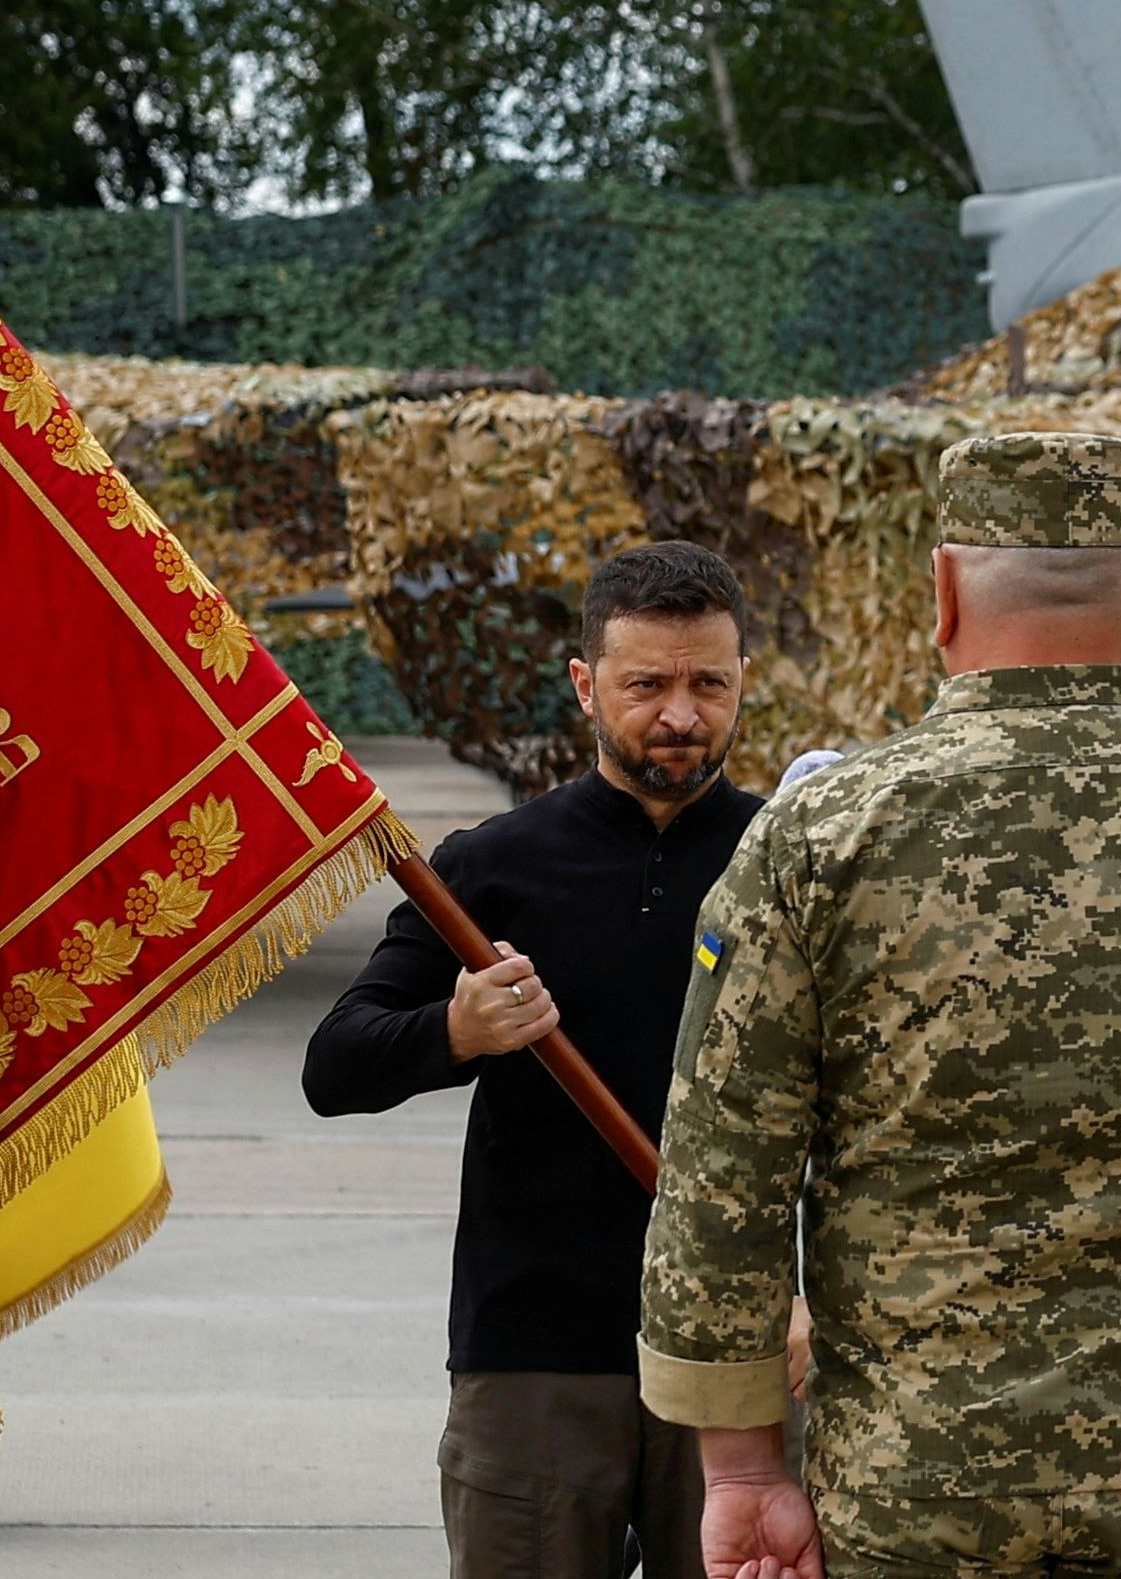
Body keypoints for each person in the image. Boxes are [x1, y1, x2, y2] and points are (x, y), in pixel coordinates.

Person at [639, 432, 1121, 1579]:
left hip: (910, 1496)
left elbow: (722, 1179)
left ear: (943, 593)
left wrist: (747, 1472)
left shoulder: (818, 838)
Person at [306, 542, 768, 1579]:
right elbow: (334, 1067)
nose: (681, 715)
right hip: (533, 1356)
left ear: (745, 679)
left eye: (709, 683)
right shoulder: (488, 867)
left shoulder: (792, 861)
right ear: (585, 685)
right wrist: (455, 1031)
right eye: (645, 684)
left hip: (739, 1354)